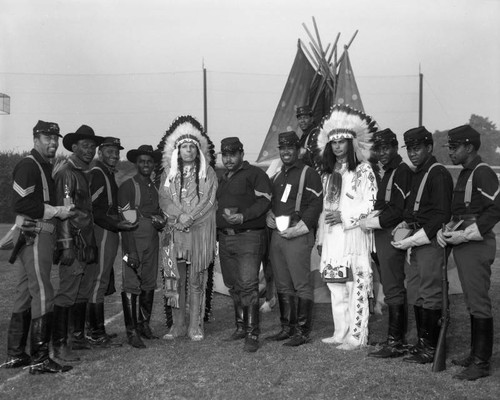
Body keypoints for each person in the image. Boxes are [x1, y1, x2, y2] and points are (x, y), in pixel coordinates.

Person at [2, 121, 74, 374]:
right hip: (35, 233)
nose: (53, 142)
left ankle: (16, 353)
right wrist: (59, 211)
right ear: (35, 138)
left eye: (55, 138)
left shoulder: (43, 165)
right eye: (47, 137)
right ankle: (40, 358)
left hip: (38, 234)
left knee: (25, 292)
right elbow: (22, 205)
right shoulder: (28, 165)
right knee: (43, 292)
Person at [436, 125, 500, 381]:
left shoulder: (482, 172)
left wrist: (469, 232)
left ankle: (481, 363)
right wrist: (448, 230)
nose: (450, 152)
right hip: (463, 243)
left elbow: (495, 209)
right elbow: (461, 211)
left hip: (476, 244)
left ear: (469, 147)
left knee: (478, 302)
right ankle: (475, 354)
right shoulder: (466, 173)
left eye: (454, 147)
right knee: (472, 302)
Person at [312, 104, 378, 351]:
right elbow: (324, 209)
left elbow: (370, 204)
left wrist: (344, 217)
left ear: (352, 143)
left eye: (342, 141)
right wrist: (321, 236)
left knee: (354, 286)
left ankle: (357, 335)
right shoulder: (328, 174)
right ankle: (340, 332)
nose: (338, 146)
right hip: (332, 238)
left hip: (353, 236)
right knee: (335, 286)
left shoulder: (364, 170)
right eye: (334, 142)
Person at [391, 126, 453, 365]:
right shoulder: (418, 173)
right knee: (416, 292)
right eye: (410, 149)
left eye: (417, 148)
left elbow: (441, 214)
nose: (413, 153)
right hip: (416, 239)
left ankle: (432, 348)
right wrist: (406, 224)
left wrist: (413, 239)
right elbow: (415, 209)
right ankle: (422, 343)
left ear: (429, 147)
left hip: (429, 240)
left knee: (431, 292)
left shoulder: (438, 173)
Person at [159, 115, 217, 342]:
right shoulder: (168, 175)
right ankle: (177, 325)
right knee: (174, 280)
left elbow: (210, 200)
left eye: (192, 146)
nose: (188, 151)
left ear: (198, 150)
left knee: (196, 280)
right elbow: (163, 200)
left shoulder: (208, 173)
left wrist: (190, 217)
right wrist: (179, 216)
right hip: (174, 233)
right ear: (177, 150)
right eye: (184, 146)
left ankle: (195, 325)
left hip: (198, 233)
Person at [266, 131, 323, 347]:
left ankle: (302, 331)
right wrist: (268, 215)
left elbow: (315, 204)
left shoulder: (309, 173)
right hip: (278, 236)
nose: (286, 151)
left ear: (298, 150)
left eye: (290, 147)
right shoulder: (278, 176)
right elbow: (271, 202)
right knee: (282, 283)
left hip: (297, 234)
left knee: (301, 284)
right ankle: (286, 328)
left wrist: (300, 228)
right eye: (282, 148)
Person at [52, 124, 104, 362]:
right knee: (67, 293)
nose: (89, 150)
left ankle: (77, 338)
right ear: (73, 147)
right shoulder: (67, 172)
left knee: (83, 290)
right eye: (85, 146)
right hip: (74, 242)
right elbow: (64, 211)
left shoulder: (84, 171)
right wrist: (66, 245)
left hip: (87, 240)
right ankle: (60, 345)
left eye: (93, 146)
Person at [216, 137, 272, 352]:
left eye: (233, 154)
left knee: (248, 284)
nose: (228, 159)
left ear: (241, 154)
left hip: (249, 235)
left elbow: (265, 199)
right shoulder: (224, 178)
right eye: (225, 154)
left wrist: (243, 216)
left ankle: (252, 332)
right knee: (233, 284)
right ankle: (240, 327)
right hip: (226, 236)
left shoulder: (255, 174)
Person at [363, 128, 413, 358]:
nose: (381, 153)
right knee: (391, 283)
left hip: (392, 233)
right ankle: (396, 337)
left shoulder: (400, 171)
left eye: (386, 148)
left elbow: (399, 209)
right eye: (378, 149)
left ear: (395, 147)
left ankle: (396, 341)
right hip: (384, 233)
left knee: (393, 285)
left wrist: (374, 221)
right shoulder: (390, 171)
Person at [87, 137, 138, 346]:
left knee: (101, 279)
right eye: (109, 151)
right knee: (98, 280)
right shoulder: (98, 173)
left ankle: (95, 329)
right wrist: (118, 224)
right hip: (103, 231)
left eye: (116, 152)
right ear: (100, 152)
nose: (114, 156)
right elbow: (96, 210)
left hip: (108, 230)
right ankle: (95, 331)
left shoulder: (107, 173)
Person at [118, 145, 165, 348]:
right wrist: (131, 251)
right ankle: (131, 332)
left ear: (154, 164)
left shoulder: (155, 187)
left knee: (148, 282)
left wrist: (161, 221)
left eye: (150, 161)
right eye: (142, 161)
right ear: (136, 163)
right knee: (131, 283)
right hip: (134, 238)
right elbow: (127, 222)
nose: (146, 164)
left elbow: (160, 212)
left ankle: (144, 324)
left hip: (152, 239)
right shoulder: (128, 186)